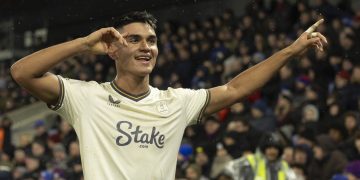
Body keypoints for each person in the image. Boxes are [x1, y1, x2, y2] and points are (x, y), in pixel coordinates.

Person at [10, 11, 327, 179]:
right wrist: (81, 43)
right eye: (133, 39)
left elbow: (235, 88)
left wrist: (290, 50)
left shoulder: (176, 102)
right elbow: (22, 72)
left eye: (151, 40)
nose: (145, 47)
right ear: (112, 49)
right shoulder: (86, 98)